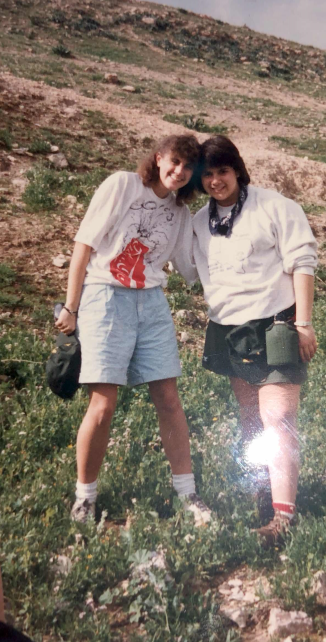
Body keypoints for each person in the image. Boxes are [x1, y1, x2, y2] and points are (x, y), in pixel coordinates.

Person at [55, 134, 211, 526]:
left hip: (152, 302)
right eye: (174, 162)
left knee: (169, 399)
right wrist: (71, 307)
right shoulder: (123, 185)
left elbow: (189, 268)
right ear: (159, 158)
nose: (179, 172)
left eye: (187, 167)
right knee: (104, 403)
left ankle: (188, 495)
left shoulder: (179, 213)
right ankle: (85, 499)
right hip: (106, 297)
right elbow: (83, 246)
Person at [192, 136, 318, 546]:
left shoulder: (276, 207)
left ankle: (284, 519)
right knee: (250, 418)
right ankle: (263, 498)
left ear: (238, 170)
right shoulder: (197, 222)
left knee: (277, 418)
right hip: (229, 328)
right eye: (207, 174)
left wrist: (304, 323)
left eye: (222, 171)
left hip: (277, 324)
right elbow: (188, 269)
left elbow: (302, 261)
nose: (216, 181)